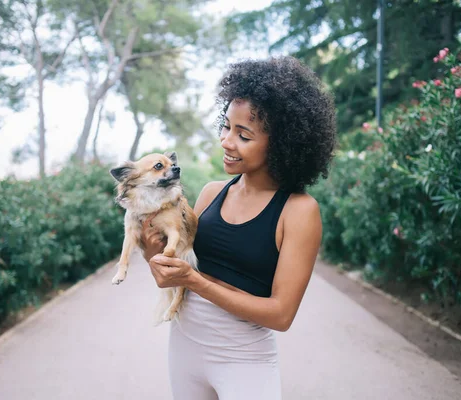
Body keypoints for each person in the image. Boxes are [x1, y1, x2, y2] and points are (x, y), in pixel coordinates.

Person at [140, 56, 336, 399]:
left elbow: (281, 314)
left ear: (282, 143)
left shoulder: (298, 211)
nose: (226, 141)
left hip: (244, 359)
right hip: (184, 347)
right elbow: (173, 278)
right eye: (226, 126)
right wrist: (153, 253)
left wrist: (195, 281)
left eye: (243, 135)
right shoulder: (211, 194)